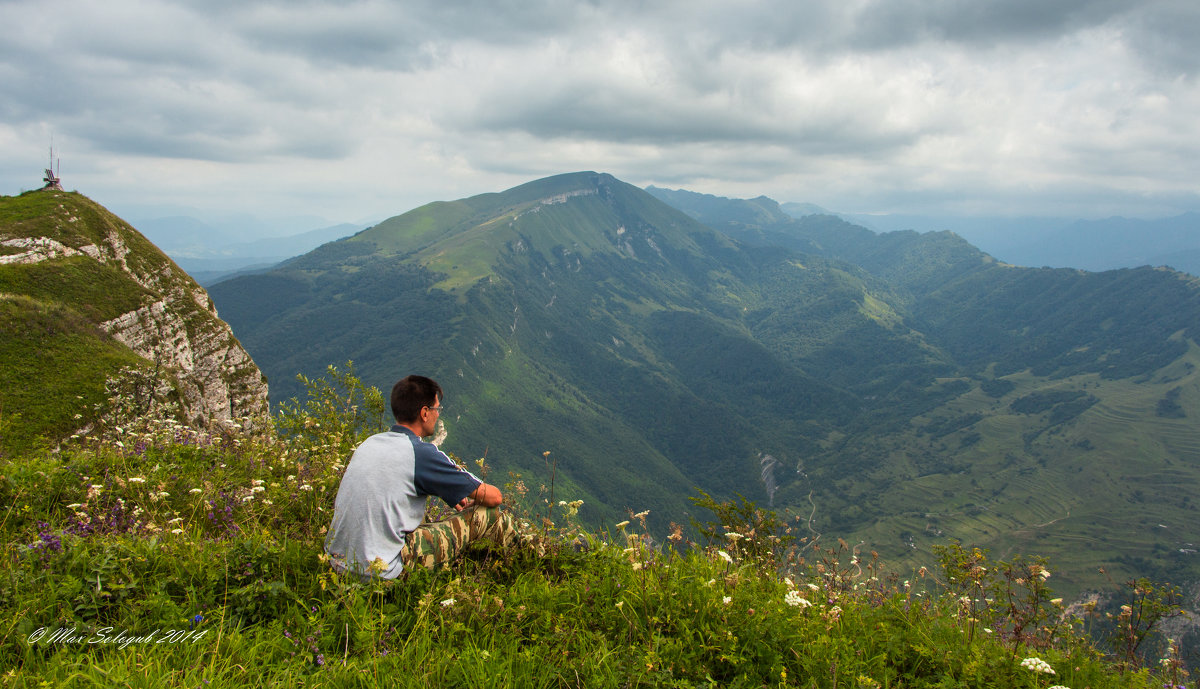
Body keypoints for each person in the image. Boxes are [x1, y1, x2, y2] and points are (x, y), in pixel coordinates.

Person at [324, 375, 534, 580]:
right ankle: (539, 565)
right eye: (437, 409)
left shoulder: (369, 443)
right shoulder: (421, 453)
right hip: (381, 572)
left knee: (419, 516)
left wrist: (450, 491)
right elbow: (494, 497)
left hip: (337, 565)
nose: (438, 415)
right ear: (425, 413)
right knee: (490, 515)